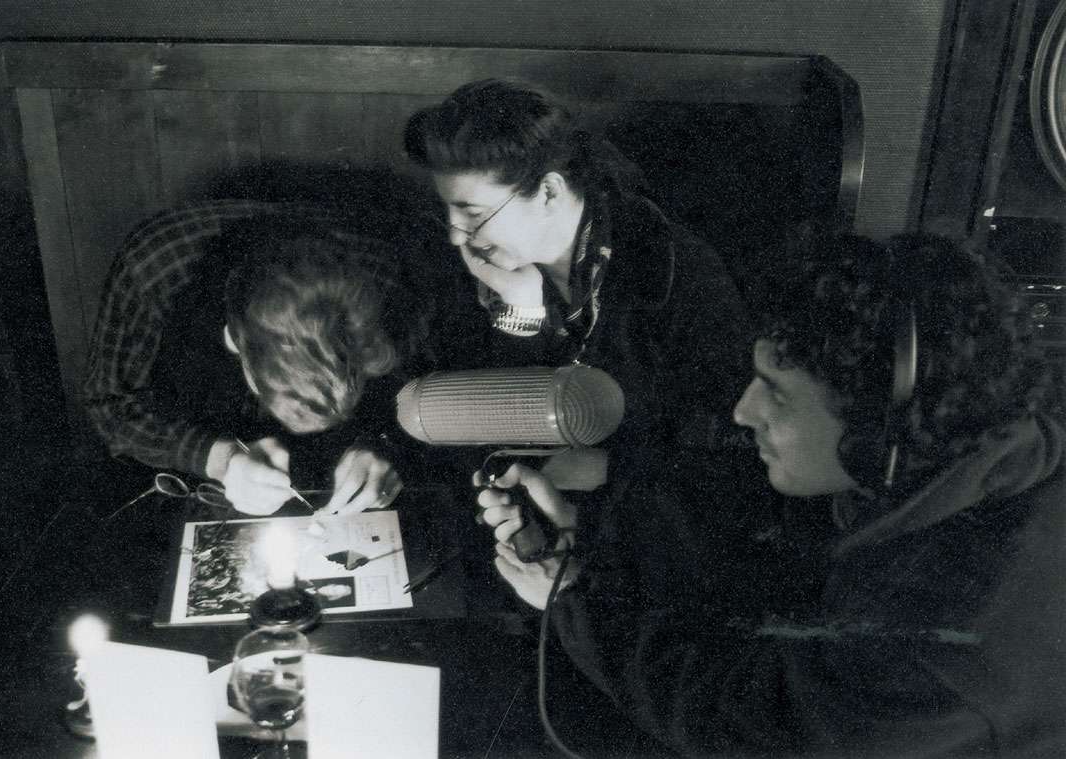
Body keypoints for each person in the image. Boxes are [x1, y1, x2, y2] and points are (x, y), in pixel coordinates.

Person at [477, 233, 1065, 756]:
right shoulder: (979, 452)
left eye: (777, 395)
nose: (743, 410)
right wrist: (609, 504)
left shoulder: (939, 658)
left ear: (873, 431)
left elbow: (733, 720)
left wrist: (574, 600)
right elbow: (747, 507)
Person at [403, 78, 755, 475]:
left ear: (549, 193)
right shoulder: (475, 264)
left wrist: (611, 470)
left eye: (472, 212)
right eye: (449, 210)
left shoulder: (668, 269)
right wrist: (521, 318)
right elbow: (473, 420)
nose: (455, 234)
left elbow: (727, 442)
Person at [84, 200, 451, 516]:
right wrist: (219, 459)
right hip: (192, 481)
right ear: (233, 340)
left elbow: (428, 390)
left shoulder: (394, 279)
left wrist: (381, 444)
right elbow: (111, 405)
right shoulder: (154, 270)